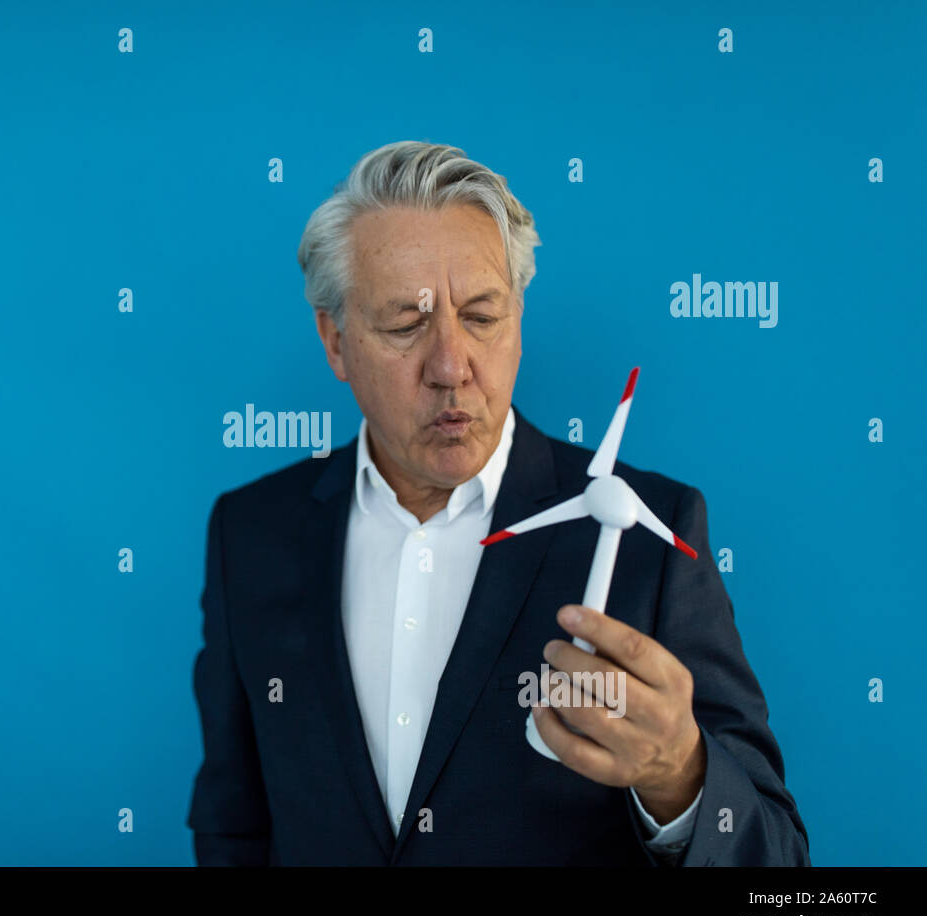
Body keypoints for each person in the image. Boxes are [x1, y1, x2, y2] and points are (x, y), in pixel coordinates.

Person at [186, 141, 809, 865]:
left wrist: (680, 775)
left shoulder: (649, 537)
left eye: (482, 315)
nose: (452, 368)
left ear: (518, 316)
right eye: (404, 325)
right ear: (335, 342)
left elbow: (781, 869)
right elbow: (232, 822)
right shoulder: (250, 533)